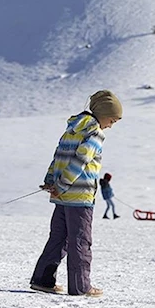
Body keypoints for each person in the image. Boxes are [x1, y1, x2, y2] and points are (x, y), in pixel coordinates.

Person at [30, 90, 122, 297]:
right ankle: (81, 286)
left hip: (61, 195)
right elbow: (81, 161)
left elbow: (58, 156)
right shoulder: (95, 133)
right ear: (102, 113)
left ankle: (42, 280)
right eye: (112, 120)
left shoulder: (71, 130)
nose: (111, 125)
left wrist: (51, 181)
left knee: (58, 238)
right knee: (80, 240)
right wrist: (61, 185)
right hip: (79, 197)